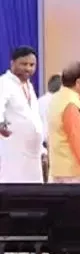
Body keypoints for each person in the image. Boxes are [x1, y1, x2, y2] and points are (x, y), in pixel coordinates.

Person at [0, 46, 44, 183]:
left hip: (33, 154)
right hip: (14, 151)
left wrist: (42, 148)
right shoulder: (4, 83)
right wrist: (1, 124)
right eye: (24, 64)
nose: (28, 68)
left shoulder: (28, 86)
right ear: (12, 63)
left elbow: (34, 117)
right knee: (13, 188)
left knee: (34, 190)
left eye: (32, 65)